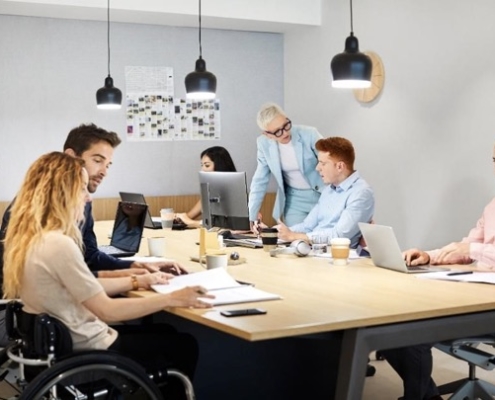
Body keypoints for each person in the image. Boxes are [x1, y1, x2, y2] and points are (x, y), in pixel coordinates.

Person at [2, 152, 214, 398]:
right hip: (86, 350)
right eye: (82, 189)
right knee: (184, 345)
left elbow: (86, 285)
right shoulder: (58, 244)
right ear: (61, 192)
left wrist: (137, 279)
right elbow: (107, 311)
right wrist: (173, 298)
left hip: (63, 345)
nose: (88, 197)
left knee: (167, 333)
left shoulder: (30, 239)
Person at [1, 123, 182, 280]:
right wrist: (132, 277)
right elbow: (53, 279)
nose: (104, 172)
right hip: (23, 309)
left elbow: (89, 256)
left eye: (108, 165)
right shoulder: (35, 205)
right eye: (97, 160)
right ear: (71, 156)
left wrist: (135, 267)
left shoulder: (84, 200)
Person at [275, 136, 374, 248]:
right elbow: (307, 226)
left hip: (337, 258)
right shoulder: (328, 190)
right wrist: (275, 231)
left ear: (340, 166)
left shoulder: (361, 193)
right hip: (316, 252)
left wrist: (294, 236)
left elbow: (339, 236)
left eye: (323, 163)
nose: (317, 168)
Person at [249, 103, 324, 229]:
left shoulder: (309, 134)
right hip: (294, 200)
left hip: (322, 194)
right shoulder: (263, 144)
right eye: (277, 132)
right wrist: (252, 215)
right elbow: (260, 180)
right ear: (267, 134)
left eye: (286, 125)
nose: (285, 133)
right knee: (296, 240)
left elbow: (330, 161)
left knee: (324, 238)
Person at [176, 146, 236, 226]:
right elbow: (189, 216)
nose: (202, 170)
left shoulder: (233, 191)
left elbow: (222, 226)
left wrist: (191, 222)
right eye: (202, 165)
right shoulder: (210, 191)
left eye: (207, 165)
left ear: (220, 166)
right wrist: (177, 218)